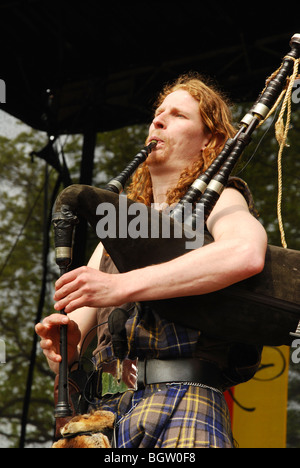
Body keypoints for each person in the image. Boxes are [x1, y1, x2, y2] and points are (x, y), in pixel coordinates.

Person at [35, 73, 268, 448]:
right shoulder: (114, 237)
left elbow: (247, 253)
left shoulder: (220, 199)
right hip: (103, 417)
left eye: (178, 115)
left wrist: (121, 285)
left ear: (210, 140)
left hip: (184, 402)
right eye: (158, 113)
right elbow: (70, 353)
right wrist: (64, 349)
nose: (158, 120)